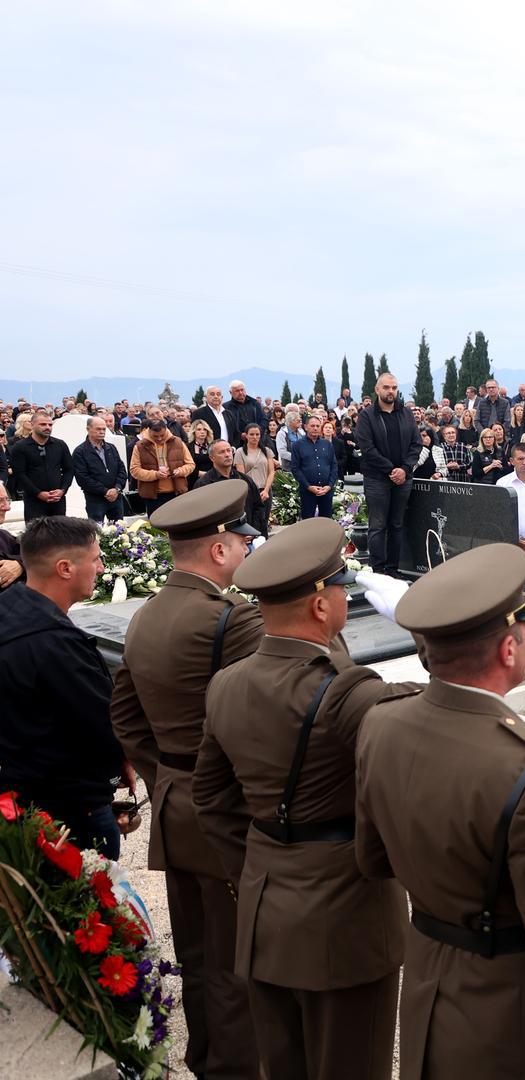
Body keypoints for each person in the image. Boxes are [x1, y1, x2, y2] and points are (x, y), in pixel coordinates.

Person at [354, 544, 525, 1078]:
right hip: (513, 1017)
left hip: (428, 984)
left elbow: (374, 861)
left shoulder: (381, 724)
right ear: (509, 649)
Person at [194, 518, 419, 1080]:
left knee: (284, 1065)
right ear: (322, 606)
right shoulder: (345, 687)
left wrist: (254, 868)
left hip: (265, 908)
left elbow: (211, 799)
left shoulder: (227, 683)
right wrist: (432, 629)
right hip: (345, 920)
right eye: (339, 586)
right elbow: (429, 729)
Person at [110, 481, 264, 1078]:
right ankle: (232, 1068)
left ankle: (205, 1057)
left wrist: (167, 772)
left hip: (177, 803)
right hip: (224, 811)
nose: (249, 552)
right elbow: (252, 725)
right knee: (233, 958)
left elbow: (123, 713)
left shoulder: (147, 612)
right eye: (242, 542)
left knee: (198, 948)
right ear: (220, 551)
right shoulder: (232, 621)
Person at [0, 517, 133, 856]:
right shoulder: (54, 643)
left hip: (25, 797)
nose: (101, 568)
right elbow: (100, 724)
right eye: (95, 558)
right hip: (70, 809)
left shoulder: (12, 608)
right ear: (65, 568)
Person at [354, 373, 422, 577]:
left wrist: (405, 469)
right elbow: (367, 447)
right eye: (386, 387)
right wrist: (391, 469)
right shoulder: (367, 416)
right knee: (378, 525)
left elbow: (416, 444)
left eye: (394, 387)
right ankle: (378, 570)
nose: (390, 391)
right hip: (377, 478)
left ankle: (393, 569)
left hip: (403, 478)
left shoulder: (406, 414)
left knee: (397, 524)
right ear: (377, 390)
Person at [193, 439, 270, 535]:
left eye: (229, 450)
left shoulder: (245, 480)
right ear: (212, 458)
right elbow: (203, 518)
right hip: (223, 541)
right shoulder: (204, 485)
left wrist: (252, 531)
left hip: (251, 536)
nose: (227, 454)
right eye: (221, 452)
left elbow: (258, 507)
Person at [10, 411, 73, 520]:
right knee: (36, 535)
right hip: (33, 502)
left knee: (60, 534)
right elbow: (20, 474)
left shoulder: (60, 445)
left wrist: (62, 490)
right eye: (43, 424)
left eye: (50, 424)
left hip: (58, 500)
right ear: (32, 424)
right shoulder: (20, 447)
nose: (47, 427)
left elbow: (69, 470)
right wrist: (38, 493)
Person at [130, 417, 196, 513]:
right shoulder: (140, 446)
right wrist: (155, 475)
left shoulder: (178, 442)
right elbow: (134, 470)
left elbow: (190, 464)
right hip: (153, 496)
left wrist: (180, 471)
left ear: (166, 430)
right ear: (149, 431)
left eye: (162, 435)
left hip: (176, 493)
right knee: (156, 527)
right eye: (155, 436)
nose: (159, 438)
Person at [70, 415, 128, 522]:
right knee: (96, 532)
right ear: (88, 429)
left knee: (119, 532)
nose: (102, 432)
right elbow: (82, 478)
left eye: (104, 429)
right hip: (95, 501)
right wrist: (105, 491)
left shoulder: (111, 448)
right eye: (98, 429)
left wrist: (117, 488)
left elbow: (122, 470)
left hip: (116, 498)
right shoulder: (80, 451)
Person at [289, 413, 339, 519]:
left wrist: (329, 486)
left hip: (326, 490)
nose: (315, 428)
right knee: (308, 522)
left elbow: (334, 466)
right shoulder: (297, 445)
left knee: (326, 522)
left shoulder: (327, 444)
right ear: (306, 427)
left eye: (317, 426)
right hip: (307, 491)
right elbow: (295, 468)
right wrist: (308, 486)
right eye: (312, 426)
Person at [237, 422, 277, 519]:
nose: (255, 437)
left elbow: (271, 472)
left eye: (257, 434)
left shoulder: (267, 451)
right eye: (251, 434)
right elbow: (242, 475)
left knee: (264, 521)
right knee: (251, 520)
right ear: (246, 435)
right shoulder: (240, 452)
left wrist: (266, 490)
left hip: (265, 490)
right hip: (250, 492)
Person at [223, 380, 269, 449]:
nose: (240, 392)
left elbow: (264, 419)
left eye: (242, 390)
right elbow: (226, 426)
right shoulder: (226, 407)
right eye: (237, 391)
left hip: (257, 442)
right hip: (237, 444)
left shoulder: (254, 403)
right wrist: (240, 435)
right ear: (231, 392)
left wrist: (256, 433)